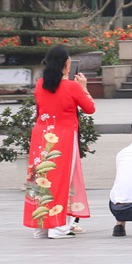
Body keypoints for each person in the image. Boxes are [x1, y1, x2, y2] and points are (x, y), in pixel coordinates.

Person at [24, 45, 95, 238]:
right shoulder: (72, 86)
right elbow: (90, 108)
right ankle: (58, 227)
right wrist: (84, 88)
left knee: (41, 180)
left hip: (41, 134)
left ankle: (41, 226)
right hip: (63, 137)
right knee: (63, 179)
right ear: (66, 65)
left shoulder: (39, 84)